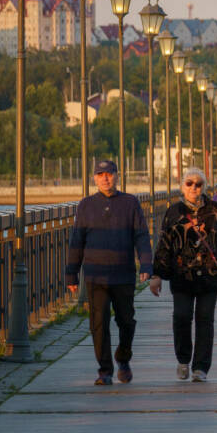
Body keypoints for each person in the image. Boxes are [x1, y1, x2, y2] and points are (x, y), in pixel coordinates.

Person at [65, 159, 152, 385]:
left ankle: (123, 358)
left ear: (117, 176)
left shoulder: (130, 203)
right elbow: (77, 240)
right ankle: (105, 370)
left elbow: (141, 235)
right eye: (100, 174)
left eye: (109, 173)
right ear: (94, 178)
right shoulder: (86, 205)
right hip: (96, 275)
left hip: (123, 273)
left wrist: (146, 264)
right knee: (99, 323)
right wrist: (71, 273)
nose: (105, 178)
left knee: (126, 321)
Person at [150, 167, 217, 382]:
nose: (193, 187)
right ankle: (183, 359)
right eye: (189, 183)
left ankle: (200, 368)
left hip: (210, 275)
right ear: (182, 186)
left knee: (205, 319)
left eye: (198, 184)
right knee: (181, 317)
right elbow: (164, 244)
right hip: (182, 275)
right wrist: (157, 275)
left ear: (204, 187)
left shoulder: (215, 210)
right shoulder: (174, 212)